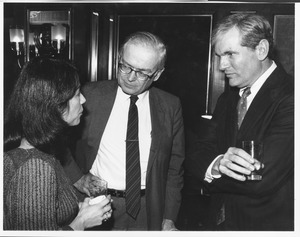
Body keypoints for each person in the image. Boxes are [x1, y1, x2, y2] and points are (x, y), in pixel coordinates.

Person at [64, 31, 185, 230]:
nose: (130, 77)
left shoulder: (170, 106)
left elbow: (174, 169)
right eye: (125, 66)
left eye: (142, 72)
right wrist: (77, 177)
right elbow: (55, 140)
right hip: (96, 204)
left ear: (157, 74)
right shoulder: (89, 95)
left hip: (148, 210)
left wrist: (169, 218)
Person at [185, 13, 294, 230]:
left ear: (261, 50)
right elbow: (197, 153)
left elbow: (260, 179)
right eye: (219, 56)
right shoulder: (228, 98)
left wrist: (211, 171)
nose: (222, 65)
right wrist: (217, 165)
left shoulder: (291, 97)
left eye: (230, 54)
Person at [3, 58, 112, 230]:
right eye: (77, 94)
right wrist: (81, 222)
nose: (83, 99)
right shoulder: (35, 167)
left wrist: (82, 210)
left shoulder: (42, 153)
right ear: (55, 105)